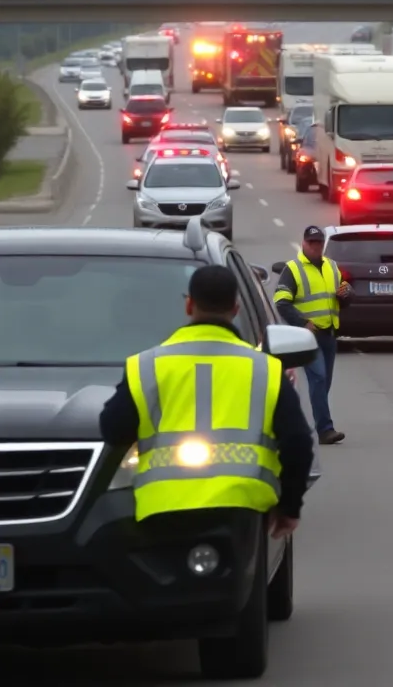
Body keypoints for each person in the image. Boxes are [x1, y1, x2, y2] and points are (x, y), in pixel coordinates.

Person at [99, 265, 315, 537]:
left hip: (162, 512)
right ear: (235, 309)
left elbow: (112, 430)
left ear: (189, 306)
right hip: (241, 510)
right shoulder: (265, 369)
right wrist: (290, 507)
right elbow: (298, 443)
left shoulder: (147, 366)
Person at [273, 225, 353, 444]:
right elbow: (281, 302)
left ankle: (317, 422)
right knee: (318, 377)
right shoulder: (293, 269)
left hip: (329, 334)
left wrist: (346, 294)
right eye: (312, 243)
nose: (316, 247)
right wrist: (303, 323)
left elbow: (344, 294)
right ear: (303, 243)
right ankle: (325, 429)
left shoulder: (332, 267)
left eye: (319, 243)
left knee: (324, 382)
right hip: (308, 337)